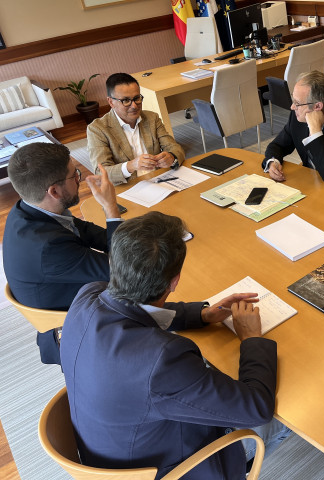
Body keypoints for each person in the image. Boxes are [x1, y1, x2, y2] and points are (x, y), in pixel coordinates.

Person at [60, 211, 289, 479]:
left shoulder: (88, 296)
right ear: (174, 281)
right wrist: (251, 338)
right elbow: (257, 409)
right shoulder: (163, 359)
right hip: (171, 468)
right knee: (287, 417)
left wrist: (201, 314)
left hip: (111, 449)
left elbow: (134, 309)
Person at [3, 142, 121, 365]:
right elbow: (122, 270)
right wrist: (110, 208)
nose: (80, 178)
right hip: (81, 325)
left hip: (63, 291)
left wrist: (127, 235)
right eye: (74, 175)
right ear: (54, 191)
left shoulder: (28, 208)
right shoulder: (48, 246)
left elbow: (83, 230)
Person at [87, 72, 185, 185]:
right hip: (128, 187)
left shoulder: (152, 118)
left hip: (159, 180)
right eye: (126, 101)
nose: (134, 106)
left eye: (137, 98)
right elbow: (101, 173)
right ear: (111, 102)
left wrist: (171, 157)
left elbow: (174, 147)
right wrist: (131, 165)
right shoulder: (97, 129)